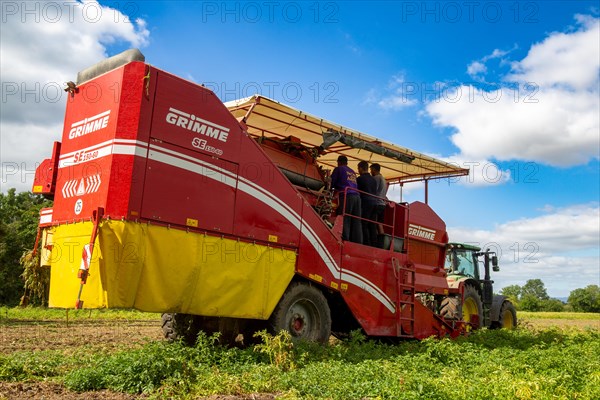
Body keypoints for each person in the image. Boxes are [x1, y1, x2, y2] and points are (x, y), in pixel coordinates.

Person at [330, 155, 362, 243]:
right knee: (356, 220)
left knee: (345, 218)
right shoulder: (352, 172)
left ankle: (345, 239)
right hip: (357, 197)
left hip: (347, 195)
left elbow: (331, 183)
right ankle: (358, 241)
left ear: (338, 162)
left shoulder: (338, 169)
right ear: (347, 163)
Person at [356, 161, 378, 247]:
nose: (358, 170)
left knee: (363, 224)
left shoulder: (360, 179)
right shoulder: (374, 179)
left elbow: (356, 191)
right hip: (375, 203)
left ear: (361, 168)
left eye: (358, 168)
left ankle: (366, 243)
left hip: (366, 202)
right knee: (372, 225)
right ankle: (374, 244)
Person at [370, 163, 388, 236]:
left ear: (374, 169)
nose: (371, 172)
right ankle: (381, 239)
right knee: (380, 224)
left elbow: (373, 190)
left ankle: (374, 238)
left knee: (373, 223)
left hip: (376, 203)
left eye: (371, 170)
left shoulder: (376, 178)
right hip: (382, 204)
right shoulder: (383, 179)